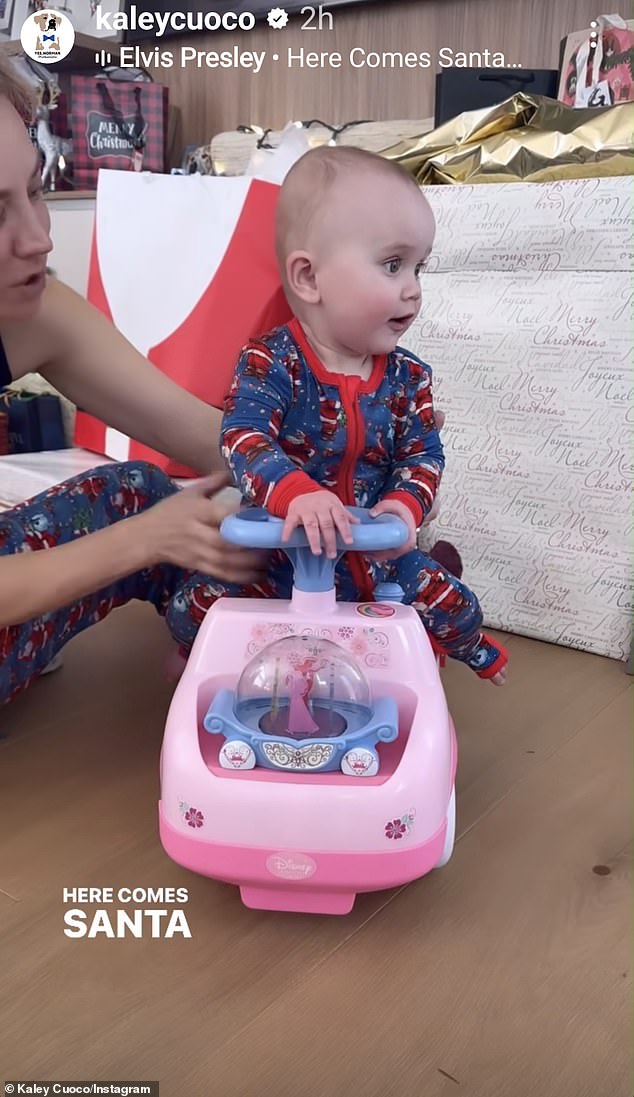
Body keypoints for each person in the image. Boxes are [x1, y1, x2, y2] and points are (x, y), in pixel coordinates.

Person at [170, 147, 507, 683]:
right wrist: (297, 492)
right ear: (308, 278)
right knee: (191, 607)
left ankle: (465, 650)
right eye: (393, 264)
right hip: (281, 561)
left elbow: (423, 452)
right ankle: (207, 666)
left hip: (376, 558)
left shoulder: (409, 378)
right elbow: (242, 434)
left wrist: (404, 507)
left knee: (458, 607)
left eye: (420, 267)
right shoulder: (269, 360)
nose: (413, 288)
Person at [0, 57, 266, 706]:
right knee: (149, 515)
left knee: (141, 494)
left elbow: (204, 436)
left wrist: (352, 448)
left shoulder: (33, 310)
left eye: (33, 191)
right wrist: (146, 539)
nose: (38, 239)